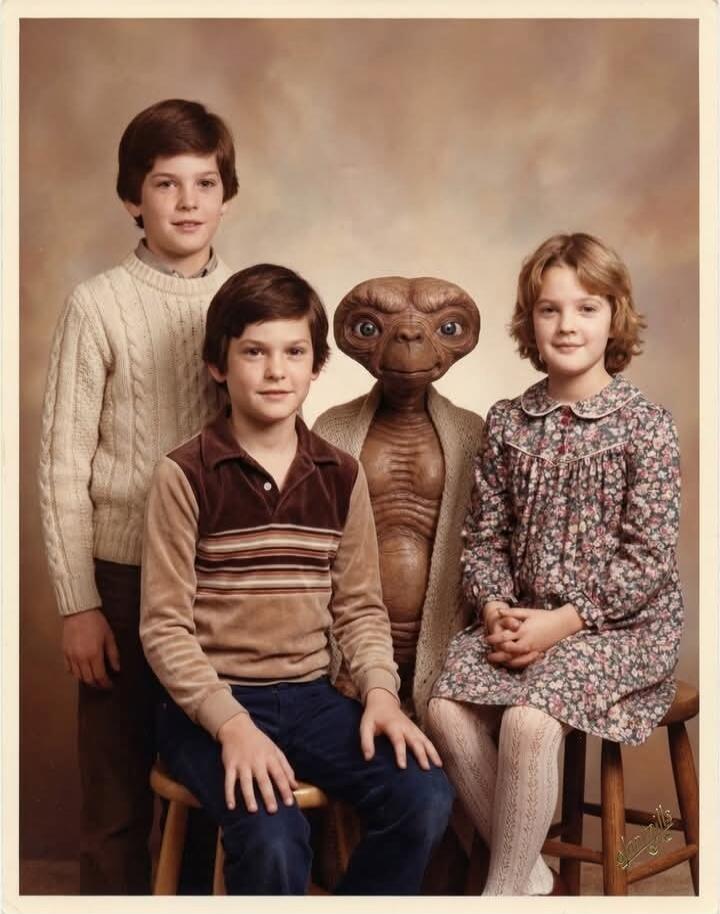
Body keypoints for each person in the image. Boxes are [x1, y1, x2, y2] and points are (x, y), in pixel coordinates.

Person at [139, 263, 454, 895]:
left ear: (316, 367)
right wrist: (231, 726)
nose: (276, 370)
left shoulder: (340, 475)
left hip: (312, 699)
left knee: (423, 796)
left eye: (294, 353)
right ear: (218, 366)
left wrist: (381, 696)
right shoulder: (185, 476)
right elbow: (164, 628)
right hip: (208, 706)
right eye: (254, 352)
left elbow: (361, 609)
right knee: (275, 838)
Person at [427, 232, 684, 896]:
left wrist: (562, 625)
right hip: (525, 623)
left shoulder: (645, 427)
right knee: (445, 707)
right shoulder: (509, 423)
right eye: (550, 309)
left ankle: (502, 894)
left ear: (615, 317)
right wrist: (495, 609)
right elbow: (483, 541)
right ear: (528, 321)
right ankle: (530, 872)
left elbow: (648, 561)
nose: (568, 324)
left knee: (528, 718)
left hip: (622, 629)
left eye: (587, 308)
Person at [37, 98, 238, 893]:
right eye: (166, 184)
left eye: (205, 182)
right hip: (120, 583)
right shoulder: (97, 306)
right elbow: (61, 466)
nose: (187, 202)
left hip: (216, 584)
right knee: (118, 795)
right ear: (133, 198)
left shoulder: (247, 305)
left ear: (227, 195)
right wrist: (76, 603)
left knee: (199, 787)